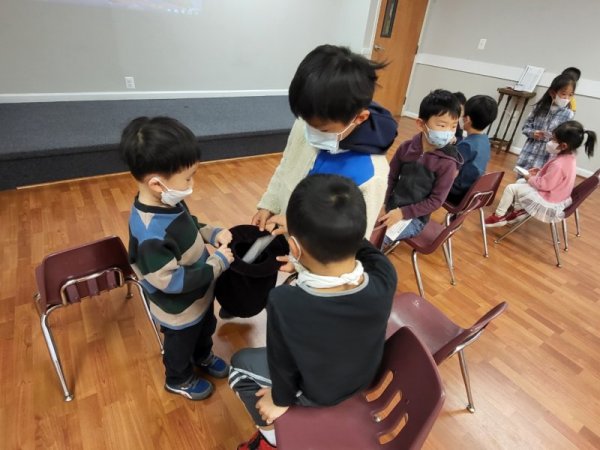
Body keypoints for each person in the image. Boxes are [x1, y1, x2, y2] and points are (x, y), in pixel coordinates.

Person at [230, 174, 397, 450]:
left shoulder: (285, 301)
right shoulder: (384, 275)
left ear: (294, 248)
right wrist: (308, 254)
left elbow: (282, 364)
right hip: (361, 378)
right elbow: (363, 249)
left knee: (239, 366)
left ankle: (272, 439)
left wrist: (279, 400)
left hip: (319, 393)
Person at [120, 116, 234, 400]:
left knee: (205, 328)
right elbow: (170, 281)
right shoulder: (150, 234)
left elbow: (189, 225)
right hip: (179, 307)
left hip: (198, 294)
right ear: (157, 184)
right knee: (181, 345)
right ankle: (178, 378)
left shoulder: (169, 200)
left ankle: (202, 356)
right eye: (188, 177)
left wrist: (211, 233)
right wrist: (217, 263)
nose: (192, 183)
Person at [252, 44, 398, 238]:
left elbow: (353, 242)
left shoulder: (371, 175)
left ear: (359, 118)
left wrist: (299, 230)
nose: (310, 133)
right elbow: (286, 166)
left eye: (322, 130)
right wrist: (269, 204)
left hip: (312, 252)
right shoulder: (306, 123)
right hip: (284, 237)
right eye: (306, 122)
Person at [381, 89, 463, 245]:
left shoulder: (448, 163)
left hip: (415, 219)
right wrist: (383, 203)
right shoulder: (406, 148)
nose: (448, 132)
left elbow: (436, 201)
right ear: (421, 124)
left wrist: (403, 213)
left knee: (377, 239)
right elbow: (390, 177)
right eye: (442, 125)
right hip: (392, 205)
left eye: (453, 126)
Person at [485, 120, 596, 227]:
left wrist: (529, 178)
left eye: (553, 140)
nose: (550, 142)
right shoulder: (569, 157)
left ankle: (498, 217)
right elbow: (555, 177)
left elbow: (544, 185)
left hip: (549, 200)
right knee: (520, 182)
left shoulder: (559, 164)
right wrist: (540, 172)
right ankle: (519, 212)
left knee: (510, 188)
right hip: (557, 195)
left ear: (563, 146)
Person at [516, 74, 575, 171]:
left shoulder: (568, 114)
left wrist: (555, 139)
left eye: (570, 95)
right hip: (529, 153)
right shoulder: (539, 108)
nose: (566, 98)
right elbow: (525, 127)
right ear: (552, 93)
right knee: (521, 176)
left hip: (547, 157)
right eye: (564, 94)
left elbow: (565, 139)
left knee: (539, 179)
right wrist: (532, 133)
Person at [446, 95, 499, 204]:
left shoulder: (466, 145)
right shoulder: (485, 140)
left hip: (456, 193)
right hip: (473, 192)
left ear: (467, 119)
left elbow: (449, 169)